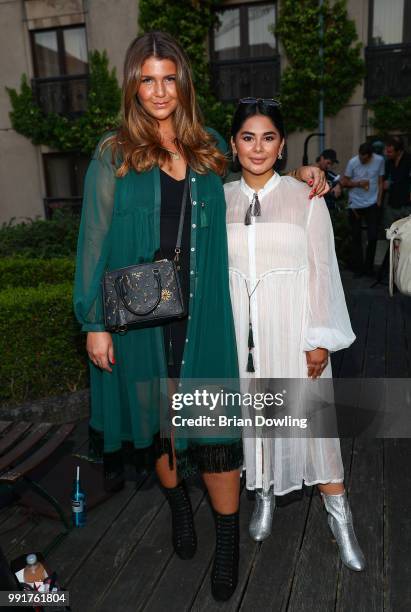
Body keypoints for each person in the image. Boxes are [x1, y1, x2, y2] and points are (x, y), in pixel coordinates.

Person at [73, 32, 329, 602]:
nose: (159, 90)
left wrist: (309, 176)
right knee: (161, 431)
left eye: (169, 78)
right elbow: (92, 242)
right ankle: (178, 509)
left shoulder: (211, 147)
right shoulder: (112, 155)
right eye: (148, 78)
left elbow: (256, 184)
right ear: (133, 85)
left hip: (207, 321)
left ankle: (228, 540)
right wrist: (93, 321)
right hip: (141, 323)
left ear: (183, 83)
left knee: (216, 437)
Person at [225, 99, 366, 572]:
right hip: (241, 341)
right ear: (233, 144)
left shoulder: (306, 196)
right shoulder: (219, 198)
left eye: (268, 137)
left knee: (314, 430)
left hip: (293, 332)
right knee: (257, 420)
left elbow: (323, 270)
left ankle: (339, 514)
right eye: (248, 137)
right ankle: (264, 491)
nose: (258, 147)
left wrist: (320, 337)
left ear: (282, 145)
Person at [341, 142, 385, 277]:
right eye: (360, 157)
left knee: (372, 236)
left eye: (364, 158)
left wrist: (379, 201)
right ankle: (359, 269)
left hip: (372, 203)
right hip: (355, 204)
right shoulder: (353, 162)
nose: (361, 160)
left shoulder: (379, 160)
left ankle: (369, 268)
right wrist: (357, 183)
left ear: (370, 156)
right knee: (356, 237)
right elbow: (344, 182)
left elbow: (380, 181)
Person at [383, 136, 411, 228]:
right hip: (392, 203)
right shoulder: (388, 163)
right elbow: (384, 179)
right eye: (387, 151)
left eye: (390, 152)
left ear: (398, 151)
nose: (387, 154)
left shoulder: (408, 160)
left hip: (406, 205)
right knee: (391, 233)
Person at [316, 148, 342, 213]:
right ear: (322, 158)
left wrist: (339, 185)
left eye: (331, 164)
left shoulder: (330, 175)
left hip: (327, 212)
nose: (329, 166)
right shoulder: (309, 172)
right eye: (328, 163)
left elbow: (341, 180)